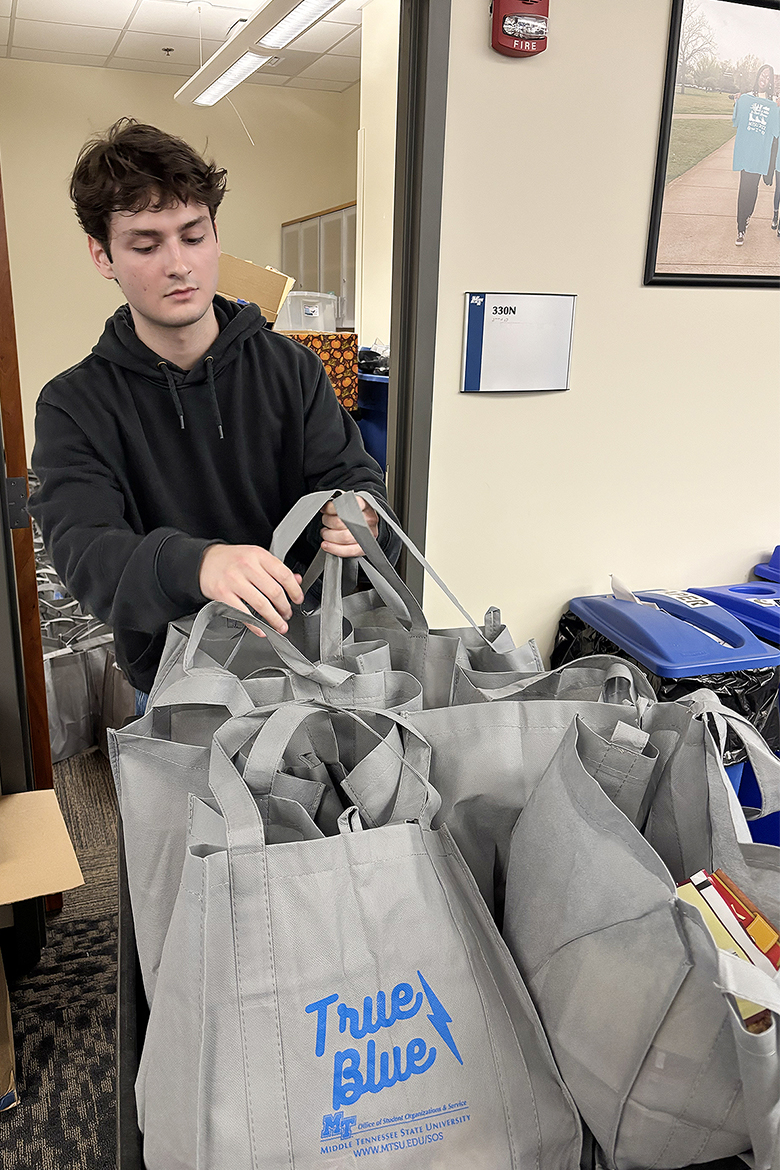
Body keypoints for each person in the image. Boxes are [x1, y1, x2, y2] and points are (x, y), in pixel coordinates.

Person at [29, 119, 400, 700]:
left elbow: (351, 477)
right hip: (180, 684)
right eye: (146, 245)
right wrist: (200, 565)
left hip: (311, 664)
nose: (178, 264)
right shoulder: (73, 406)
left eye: (194, 237)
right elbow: (87, 554)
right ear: (103, 256)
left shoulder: (292, 368)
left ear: (216, 235)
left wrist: (362, 515)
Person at [731, 64, 780, 245]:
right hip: (746, 152)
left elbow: (776, 130)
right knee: (744, 187)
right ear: (758, 75)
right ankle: (740, 228)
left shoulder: (773, 102)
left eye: (768, 77)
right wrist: (738, 101)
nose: (764, 79)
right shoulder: (747, 97)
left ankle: (747, 215)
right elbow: (737, 120)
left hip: (760, 156)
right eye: (762, 74)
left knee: (753, 189)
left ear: (770, 82)